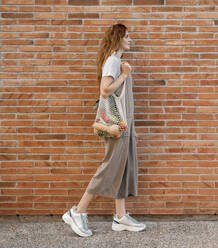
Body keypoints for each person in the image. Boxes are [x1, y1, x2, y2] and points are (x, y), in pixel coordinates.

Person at [62, 23, 146, 237]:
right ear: (118, 38)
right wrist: (124, 74)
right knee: (109, 167)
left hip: (124, 126)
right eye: (127, 36)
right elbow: (105, 90)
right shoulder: (113, 62)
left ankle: (120, 217)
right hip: (116, 127)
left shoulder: (117, 61)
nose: (130, 40)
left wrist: (133, 129)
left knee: (122, 168)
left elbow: (124, 100)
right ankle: (77, 211)